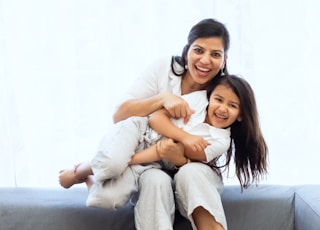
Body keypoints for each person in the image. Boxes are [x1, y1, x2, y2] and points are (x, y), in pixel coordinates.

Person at [58, 18, 267, 230]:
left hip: (183, 167)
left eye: (215, 54)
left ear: (224, 60)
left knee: (188, 172)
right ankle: (83, 171)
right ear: (187, 52)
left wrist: (174, 153)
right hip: (148, 157)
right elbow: (126, 116)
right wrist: (162, 99)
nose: (205, 60)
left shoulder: (217, 94)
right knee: (139, 185)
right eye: (198, 50)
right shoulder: (178, 80)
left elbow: (179, 154)